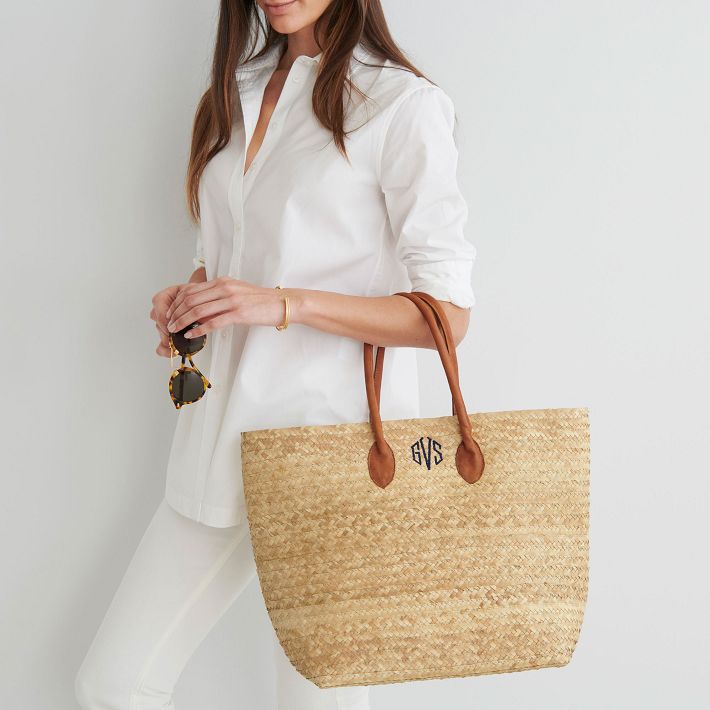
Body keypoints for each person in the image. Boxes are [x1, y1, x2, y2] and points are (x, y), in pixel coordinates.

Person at [74, 0, 477, 708]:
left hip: (334, 452)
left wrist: (283, 303)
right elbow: (233, 254)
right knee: (111, 683)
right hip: (217, 439)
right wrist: (197, 298)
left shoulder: (400, 105)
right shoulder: (234, 93)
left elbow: (447, 316)